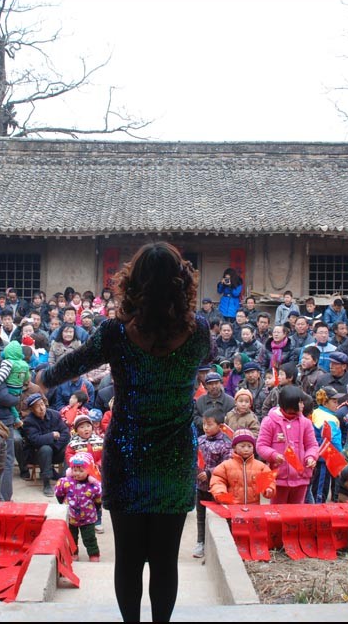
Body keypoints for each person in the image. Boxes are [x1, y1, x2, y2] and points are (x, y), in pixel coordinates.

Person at [37, 242, 210, 623]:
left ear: (133, 283)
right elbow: (202, 357)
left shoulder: (115, 333)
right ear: (182, 283)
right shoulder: (199, 330)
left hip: (127, 457)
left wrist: (43, 381)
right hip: (174, 459)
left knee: (128, 559)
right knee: (165, 560)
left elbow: (75, 362)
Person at [256, 385, 319, 504]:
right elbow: (261, 446)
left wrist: (310, 457)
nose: (303, 405)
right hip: (279, 478)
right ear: (290, 404)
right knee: (278, 511)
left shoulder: (306, 423)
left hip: (301, 477)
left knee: (296, 512)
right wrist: (273, 455)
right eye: (300, 402)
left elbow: (312, 445)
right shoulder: (269, 422)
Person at [194, 410, 232, 558]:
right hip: (200, 486)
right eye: (204, 424)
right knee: (200, 516)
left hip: (217, 488)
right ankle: (200, 542)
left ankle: (219, 545)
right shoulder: (200, 440)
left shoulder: (226, 444)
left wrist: (209, 473)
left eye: (209, 424)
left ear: (220, 426)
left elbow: (226, 465)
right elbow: (193, 459)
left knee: (218, 516)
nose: (206, 427)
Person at [55, 452, 104, 562]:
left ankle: (94, 554)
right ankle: (73, 553)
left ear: (89, 470)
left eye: (81, 471)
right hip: (71, 517)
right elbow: (59, 493)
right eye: (74, 470)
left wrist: (96, 509)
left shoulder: (94, 485)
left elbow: (98, 499)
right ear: (70, 470)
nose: (77, 473)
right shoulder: (65, 482)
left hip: (88, 518)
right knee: (71, 538)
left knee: (89, 537)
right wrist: (63, 504)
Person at [22, 392, 71, 496]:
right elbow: (35, 440)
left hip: (55, 451)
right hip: (37, 455)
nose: (41, 408)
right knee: (45, 449)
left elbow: (65, 433)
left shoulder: (55, 415)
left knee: (69, 447)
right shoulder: (29, 421)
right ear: (32, 410)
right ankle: (46, 483)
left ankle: (65, 478)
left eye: (42, 404)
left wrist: (55, 446)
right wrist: (52, 436)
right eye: (37, 406)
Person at [210, 429, 275, 505]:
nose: (246, 449)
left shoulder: (261, 466)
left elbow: (268, 480)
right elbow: (218, 480)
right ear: (234, 447)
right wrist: (220, 492)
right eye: (242, 446)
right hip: (232, 506)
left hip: (254, 507)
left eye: (249, 446)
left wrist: (268, 488)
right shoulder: (225, 466)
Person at [307, 386, 342, 504]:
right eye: (334, 401)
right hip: (324, 458)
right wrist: (340, 456)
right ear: (325, 402)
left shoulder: (316, 412)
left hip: (316, 456)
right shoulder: (328, 417)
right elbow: (333, 440)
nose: (337, 404)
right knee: (320, 489)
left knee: (316, 486)